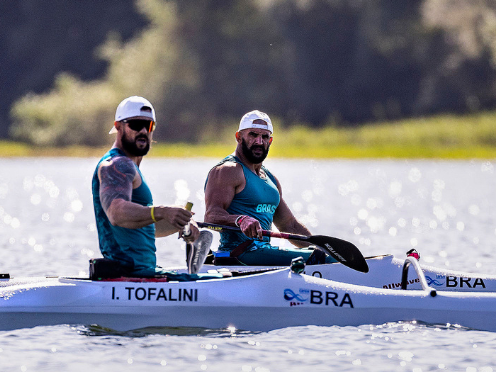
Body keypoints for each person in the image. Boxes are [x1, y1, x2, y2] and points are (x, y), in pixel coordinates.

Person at [92, 96, 214, 280]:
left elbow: (144, 226)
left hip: (141, 272)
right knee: (223, 279)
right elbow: (116, 213)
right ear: (118, 127)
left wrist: (177, 222)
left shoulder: (131, 168)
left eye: (148, 126)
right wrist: (163, 211)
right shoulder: (116, 165)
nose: (143, 131)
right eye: (135, 124)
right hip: (128, 273)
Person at [204, 110, 332, 266]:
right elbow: (211, 216)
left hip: (264, 251)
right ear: (238, 137)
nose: (259, 141)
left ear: (270, 141)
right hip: (240, 254)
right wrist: (240, 219)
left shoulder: (270, 178)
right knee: (325, 260)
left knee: (325, 256)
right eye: (253, 135)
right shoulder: (228, 170)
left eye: (264, 137)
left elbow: (289, 225)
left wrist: (318, 247)